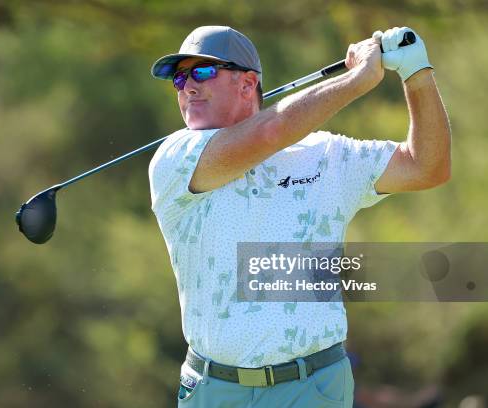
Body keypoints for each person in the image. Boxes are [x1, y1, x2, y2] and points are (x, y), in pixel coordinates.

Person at [148, 25, 451, 408]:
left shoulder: (326, 154)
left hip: (313, 387)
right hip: (216, 389)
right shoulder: (175, 159)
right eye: (179, 77)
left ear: (247, 84)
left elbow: (428, 167)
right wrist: (357, 80)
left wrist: (417, 74)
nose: (187, 85)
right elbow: (270, 131)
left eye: (203, 72)